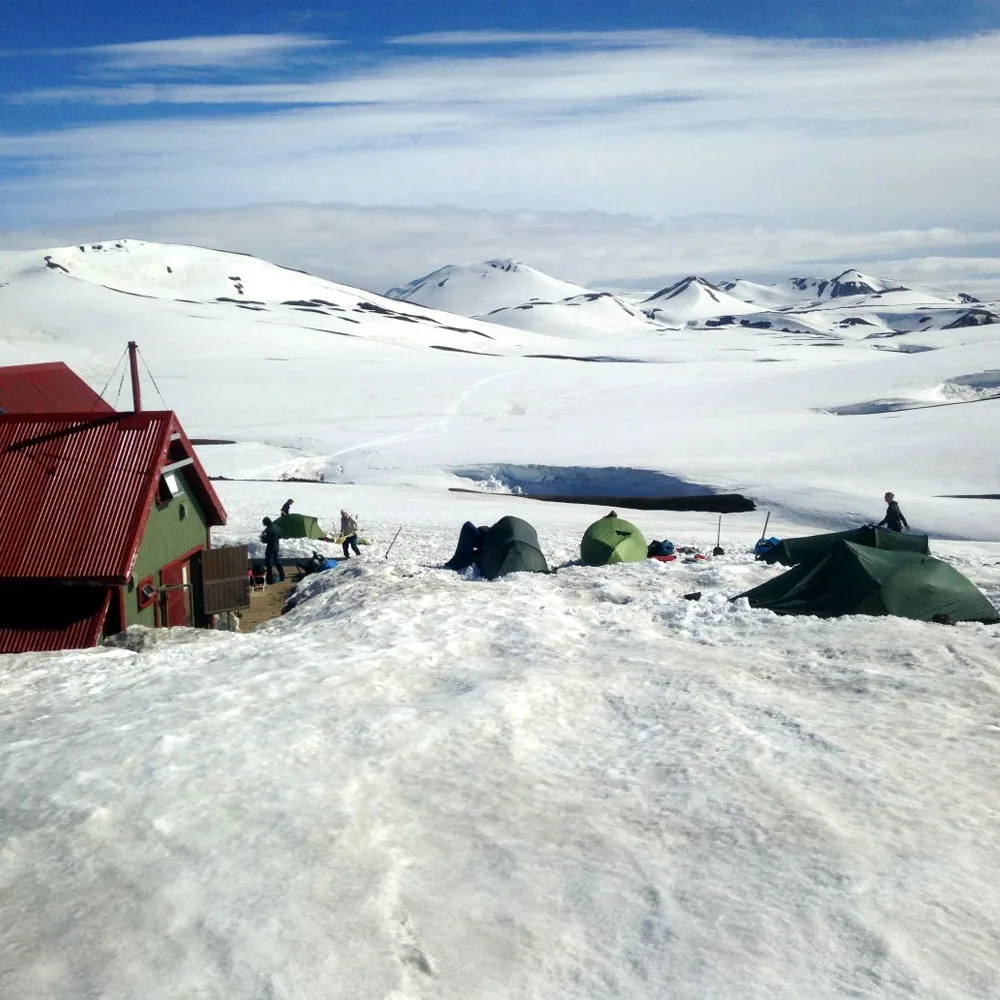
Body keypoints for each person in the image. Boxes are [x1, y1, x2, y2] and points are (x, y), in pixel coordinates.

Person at [260, 516, 285, 583]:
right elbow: (280, 536)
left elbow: (268, 540)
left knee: (268, 563)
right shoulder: (276, 527)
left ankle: (269, 579)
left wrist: (262, 538)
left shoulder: (269, 529)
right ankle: (282, 576)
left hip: (270, 547)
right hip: (276, 546)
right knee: (277, 561)